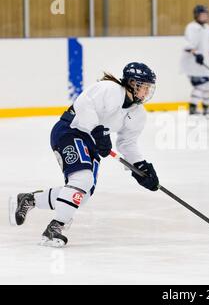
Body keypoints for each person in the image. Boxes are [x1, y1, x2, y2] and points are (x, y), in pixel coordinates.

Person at [9, 62, 160, 247]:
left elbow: (127, 143)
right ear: (130, 83)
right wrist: (96, 129)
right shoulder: (110, 89)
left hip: (92, 142)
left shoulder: (138, 114)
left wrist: (140, 167)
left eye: (148, 88)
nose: (145, 92)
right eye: (142, 87)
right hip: (70, 131)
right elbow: (83, 103)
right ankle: (55, 228)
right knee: (83, 180)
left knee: (83, 193)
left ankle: (30, 199)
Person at [181, 5, 209, 115]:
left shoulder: (208, 28)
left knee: (208, 85)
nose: (204, 17)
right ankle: (193, 108)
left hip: (203, 63)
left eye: (206, 15)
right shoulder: (191, 27)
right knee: (200, 85)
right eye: (201, 15)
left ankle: (206, 108)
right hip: (192, 63)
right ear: (196, 16)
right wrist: (196, 53)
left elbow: (208, 45)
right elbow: (188, 44)